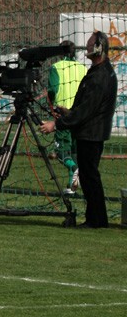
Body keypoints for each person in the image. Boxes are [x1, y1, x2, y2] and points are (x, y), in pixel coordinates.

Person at [40, 31, 118, 228]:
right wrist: (68, 112)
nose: (88, 47)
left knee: (90, 176)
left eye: (91, 44)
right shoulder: (99, 71)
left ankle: (96, 220)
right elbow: (87, 107)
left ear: (99, 48)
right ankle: (97, 219)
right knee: (89, 176)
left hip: (91, 133)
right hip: (92, 131)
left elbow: (86, 111)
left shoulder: (99, 76)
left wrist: (55, 124)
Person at [47, 40, 86, 190]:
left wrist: (50, 102)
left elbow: (53, 90)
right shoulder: (83, 68)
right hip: (79, 116)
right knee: (75, 150)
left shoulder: (56, 67)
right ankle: (71, 186)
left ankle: (74, 169)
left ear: (60, 53)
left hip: (63, 115)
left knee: (60, 151)